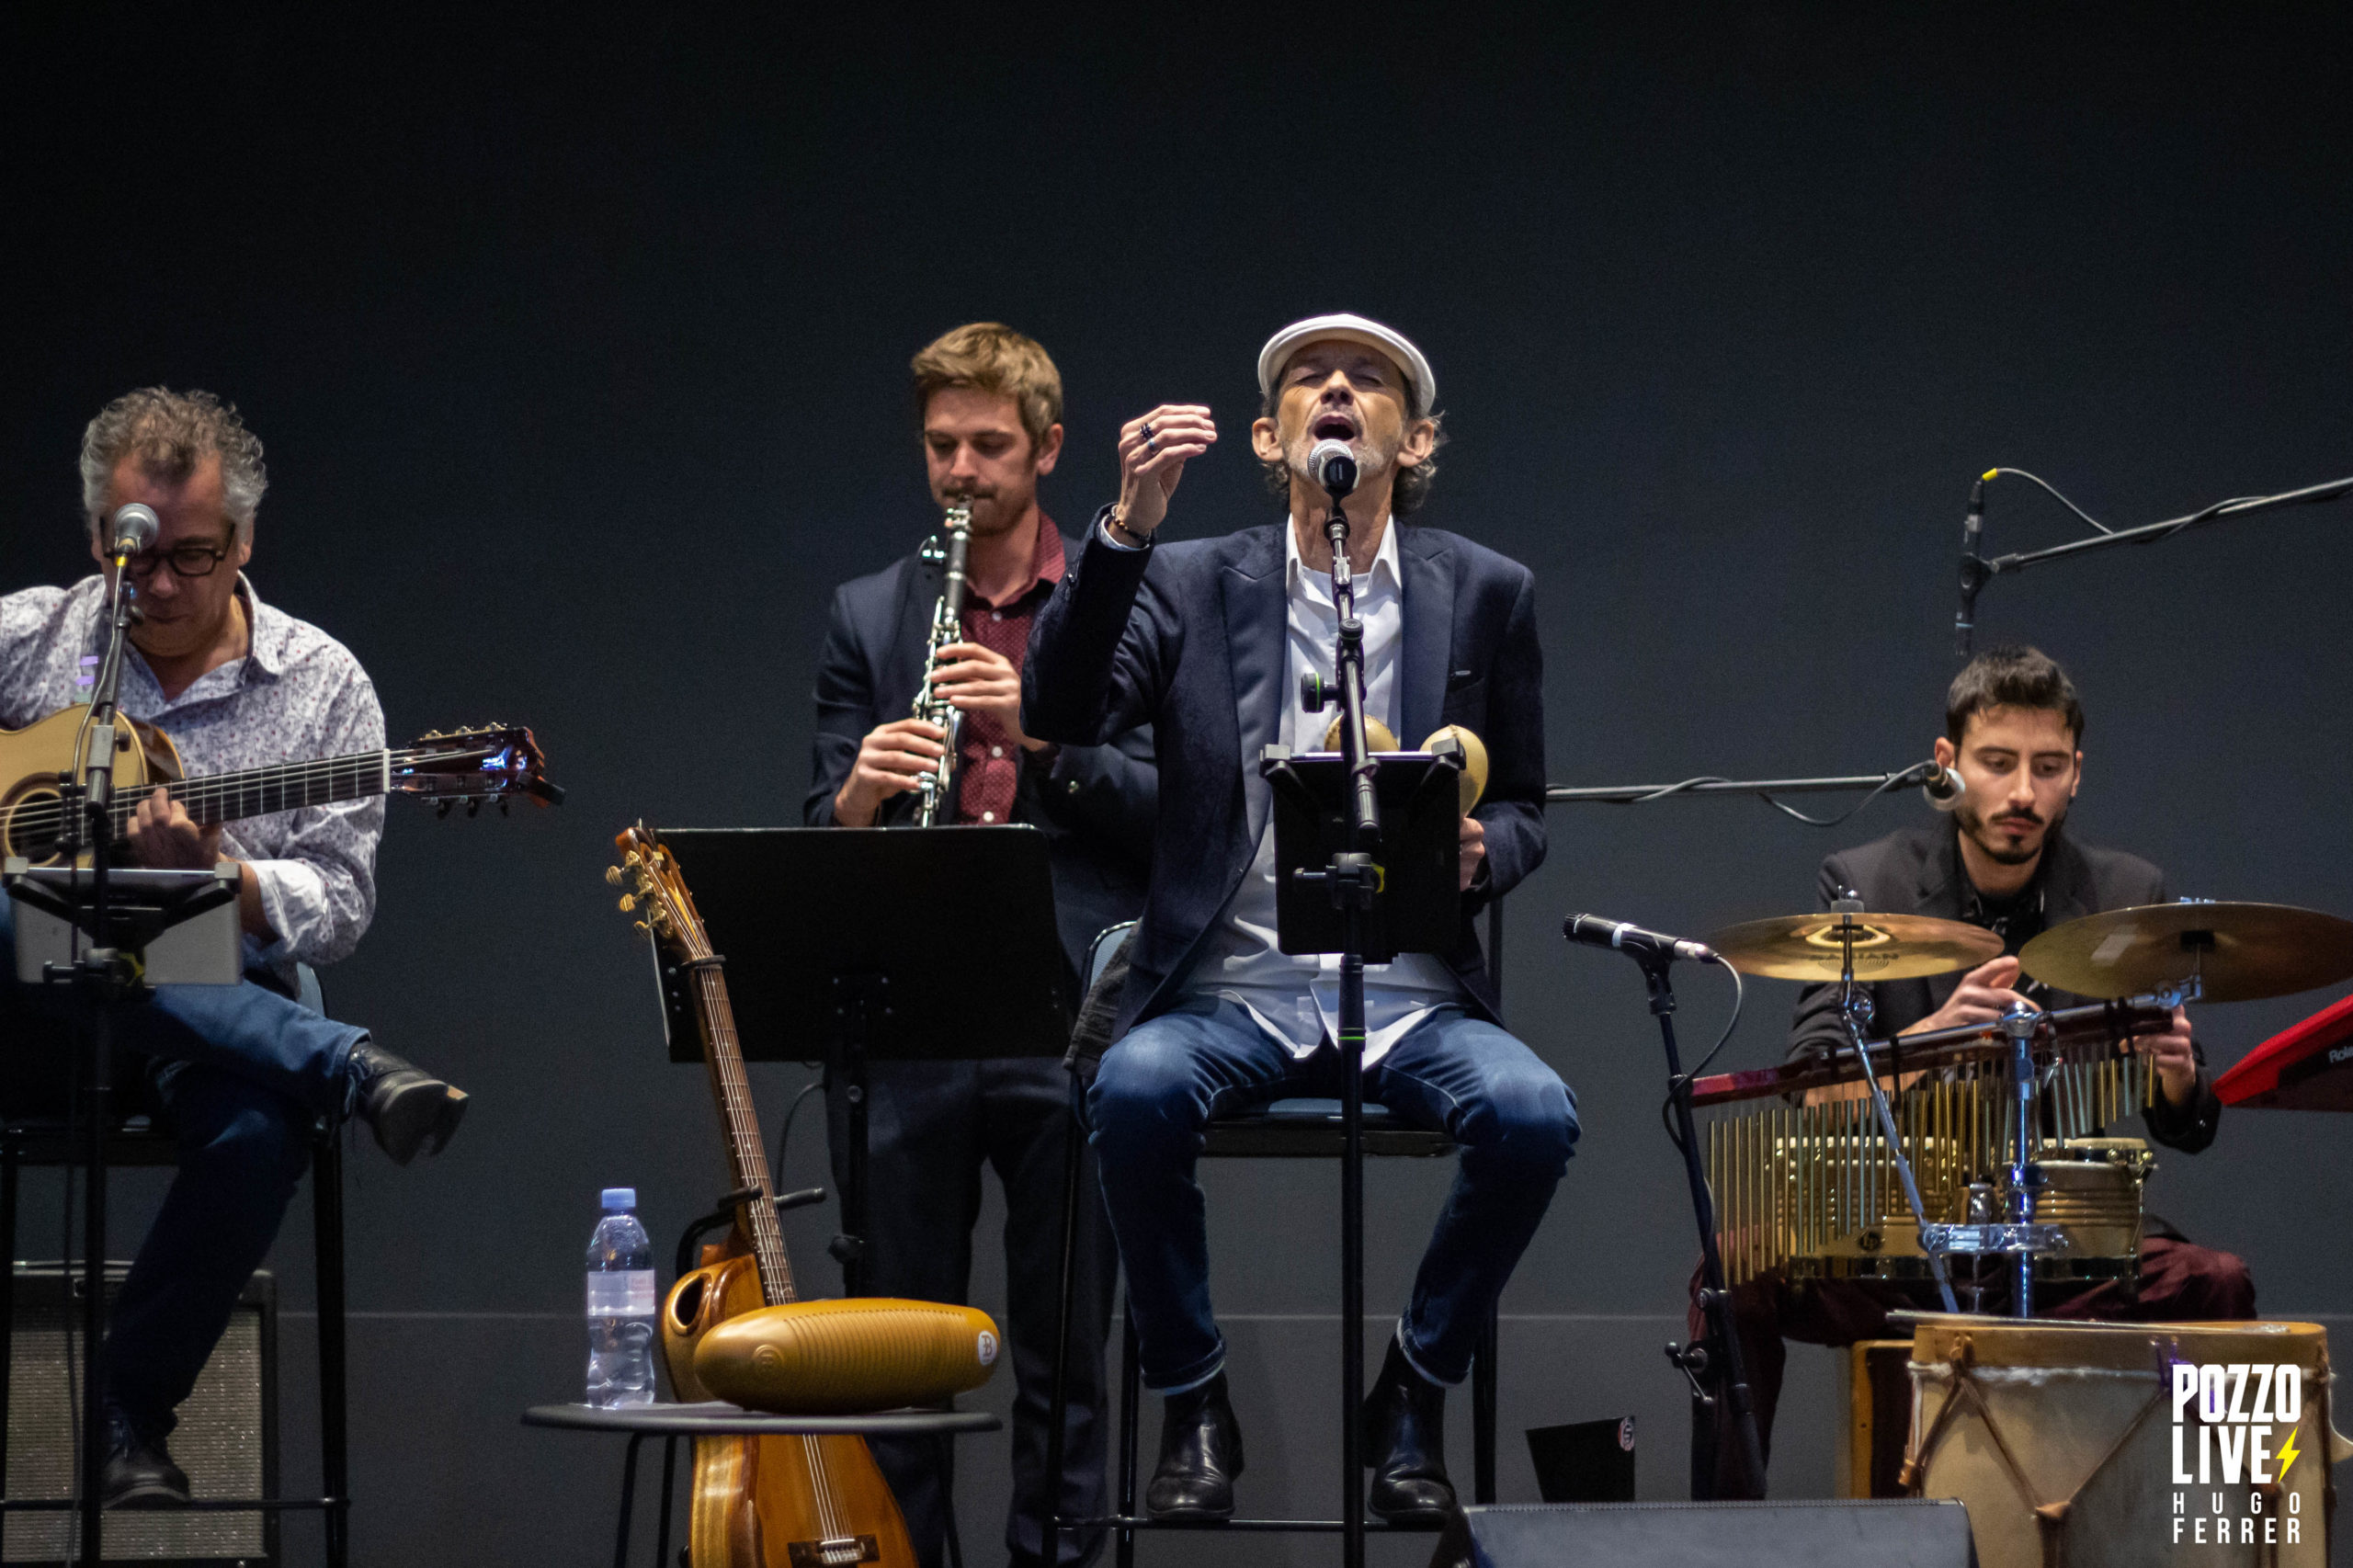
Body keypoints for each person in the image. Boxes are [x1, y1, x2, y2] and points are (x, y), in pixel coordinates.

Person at [1022, 313, 1576, 1523]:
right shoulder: (1183, 578)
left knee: (1534, 1111)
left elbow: (1530, 804)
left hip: (1414, 990)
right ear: (1272, 440)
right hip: (1234, 987)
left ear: (1413, 437)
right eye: (1307, 381)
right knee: (1132, 1089)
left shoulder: (1486, 591)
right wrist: (1124, 528)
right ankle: (1194, 1397)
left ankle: (1415, 1388)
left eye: (1367, 378)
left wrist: (1488, 850)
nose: (1336, 387)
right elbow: (1058, 705)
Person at [0, 388, 467, 1506]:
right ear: (98, 539)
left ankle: (127, 1414)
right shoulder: (25, 639)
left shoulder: (322, 683)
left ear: (245, 540)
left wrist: (228, 877)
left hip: (198, 1006)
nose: (162, 586)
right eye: (139, 558)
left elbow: (341, 901)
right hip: (25, 1011)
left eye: (195, 557)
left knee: (262, 1126)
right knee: (23, 908)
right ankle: (346, 1060)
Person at [1691, 645, 2254, 1498]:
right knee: (1730, 1275)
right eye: (1998, 764)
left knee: (2219, 1282)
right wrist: (1929, 1040)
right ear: (1947, 767)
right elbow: (1814, 1087)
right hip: (1909, 1242)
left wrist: (2176, 1075)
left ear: (2075, 776)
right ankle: (1715, 1542)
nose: (2022, 793)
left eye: (2047, 767)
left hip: (2066, 1242)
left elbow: (2189, 1121)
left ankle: (2225, 1545)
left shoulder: (2126, 892)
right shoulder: (1866, 884)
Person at [805, 324, 1154, 1568]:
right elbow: (815, 826)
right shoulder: (871, 612)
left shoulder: (1123, 604)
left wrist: (1044, 736)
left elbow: (1176, 806)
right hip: (914, 1011)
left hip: (1069, 1009)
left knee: (1066, 1360)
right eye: (943, 444)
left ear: (1048, 448)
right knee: (896, 1361)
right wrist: (860, 793)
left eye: (990, 445)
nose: (962, 469)